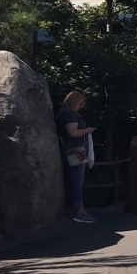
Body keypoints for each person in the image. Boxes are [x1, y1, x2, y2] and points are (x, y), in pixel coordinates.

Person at [55, 91, 97, 224]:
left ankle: (79, 209)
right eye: (80, 102)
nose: (80, 105)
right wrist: (87, 130)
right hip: (74, 153)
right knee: (77, 181)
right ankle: (79, 212)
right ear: (74, 100)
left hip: (74, 152)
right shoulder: (69, 114)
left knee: (77, 180)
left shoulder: (66, 113)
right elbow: (73, 132)